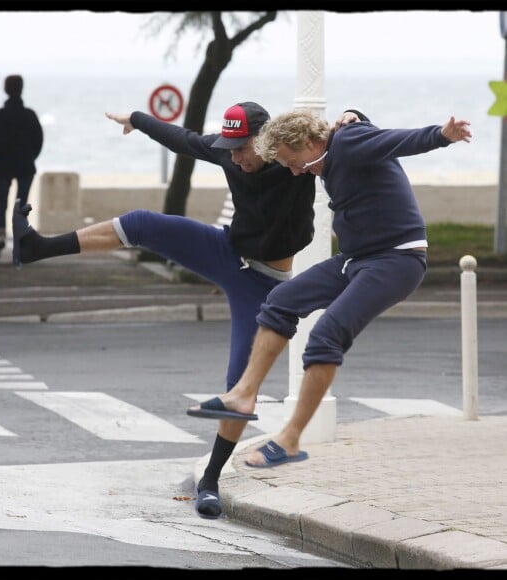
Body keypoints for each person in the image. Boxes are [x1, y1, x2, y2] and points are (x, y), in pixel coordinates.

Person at [10, 102, 367, 519]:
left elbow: (337, 143)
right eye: (228, 149)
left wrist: (353, 116)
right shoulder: (228, 153)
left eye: (241, 149)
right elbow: (184, 140)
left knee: (240, 388)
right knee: (143, 223)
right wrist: (138, 121)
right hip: (225, 251)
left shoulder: (292, 162)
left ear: (267, 141)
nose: (233, 157)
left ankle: (210, 480)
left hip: (264, 283)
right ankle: (38, 247)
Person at [187, 111, 472, 470]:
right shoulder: (331, 149)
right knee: (279, 301)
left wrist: (442, 134)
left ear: (307, 143)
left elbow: (397, 140)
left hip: (396, 260)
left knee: (325, 336)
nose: (294, 172)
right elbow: (355, 128)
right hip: (356, 259)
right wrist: (357, 113)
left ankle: (289, 440)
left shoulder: (350, 142)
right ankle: (242, 395)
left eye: (292, 163)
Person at [0, 74, 43, 259]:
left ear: (5, 89)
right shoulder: (29, 115)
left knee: (1, 202)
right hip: (26, 165)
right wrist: (30, 157)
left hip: (3, 165)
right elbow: (38, 140)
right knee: (21, 203)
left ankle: (0, 235)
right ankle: (20, 238)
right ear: (21, 89)